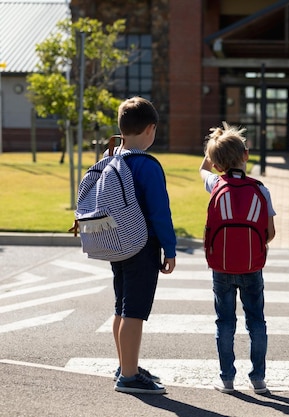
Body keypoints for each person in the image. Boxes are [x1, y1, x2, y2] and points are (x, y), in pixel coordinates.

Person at [200, 122, 276, 395]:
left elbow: (203, 170)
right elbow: (270, 233)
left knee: (225, 322)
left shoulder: (215, 183)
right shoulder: (261, 190)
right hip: (252, 267)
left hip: (220, 267)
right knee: (256, 320)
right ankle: (258, 378)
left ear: (218, 163)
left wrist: (213, 154)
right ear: (246, 155)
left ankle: (227, 379)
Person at [112, 97, 177, 394]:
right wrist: (170, 249)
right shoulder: (147, 165)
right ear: (151, 129)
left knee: (122, 308)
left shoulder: (112, 158)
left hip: (116, 243)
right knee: (135, 312)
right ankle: (129, 376)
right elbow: (160, 212)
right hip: (142, 245)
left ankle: (125, 364)